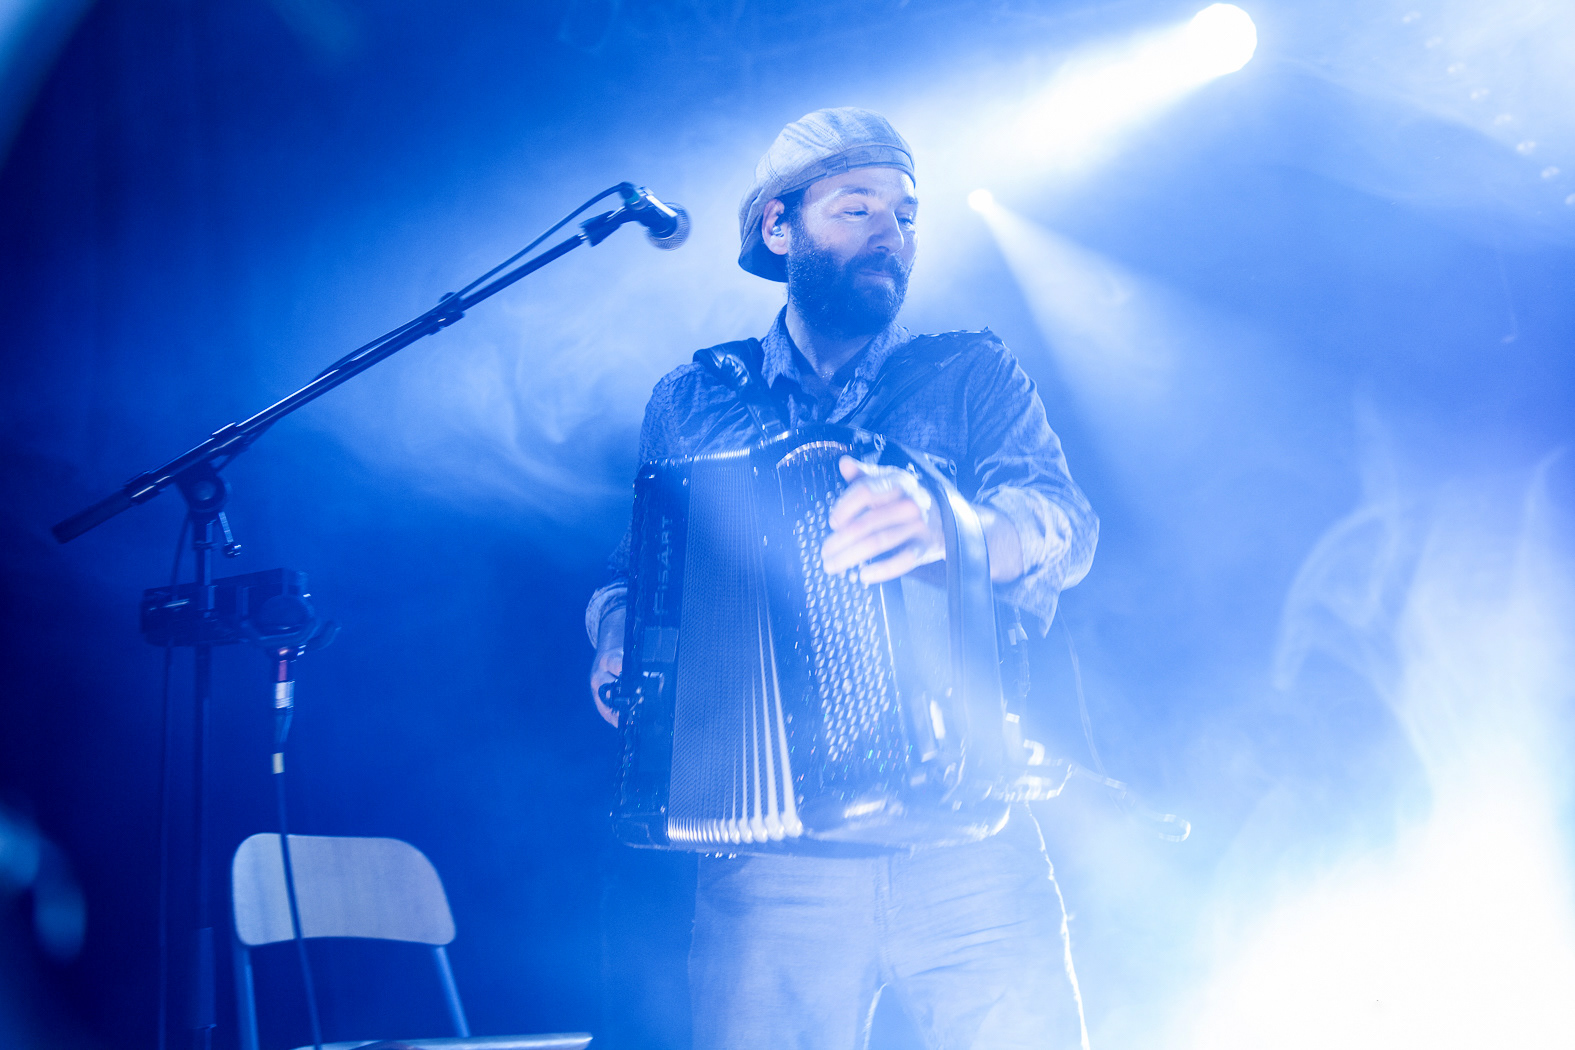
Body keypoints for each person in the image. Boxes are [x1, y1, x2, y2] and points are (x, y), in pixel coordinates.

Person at [585, 107, 1099, 1050]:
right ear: (778, 230)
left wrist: (954, 525)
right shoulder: (693, 398)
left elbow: (1063, 525)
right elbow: (638, 575)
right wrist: (617, 633)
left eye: (904, 214)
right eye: (855, 209)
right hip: (767, 858)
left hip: (967, 841)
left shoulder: (969, 374)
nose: (888, 236)